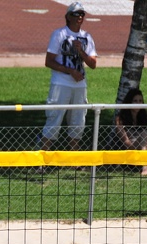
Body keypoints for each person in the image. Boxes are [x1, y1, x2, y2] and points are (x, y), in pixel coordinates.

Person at [40, 2, 97, 164]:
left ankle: (74, 160)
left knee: (78, 120)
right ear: (68, 16)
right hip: (61, 84)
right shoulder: (59, 34)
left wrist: (81, 51)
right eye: (76, 14)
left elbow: (93, 64)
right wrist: (70, 71)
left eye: (82, 14)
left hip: (80, 86)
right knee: (54, 118)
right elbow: (49, 62)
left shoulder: (87, 37)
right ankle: (43, 160)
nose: (79, 17)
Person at [115, 88, 147, 176]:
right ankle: (145, 167)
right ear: (129, 102)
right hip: (130, 148)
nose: (138, 103)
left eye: (140, 101)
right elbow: (125, 142)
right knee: (144, 133)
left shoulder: (146, 117)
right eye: (135, 101)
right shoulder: (120, 119)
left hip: (145, 146)